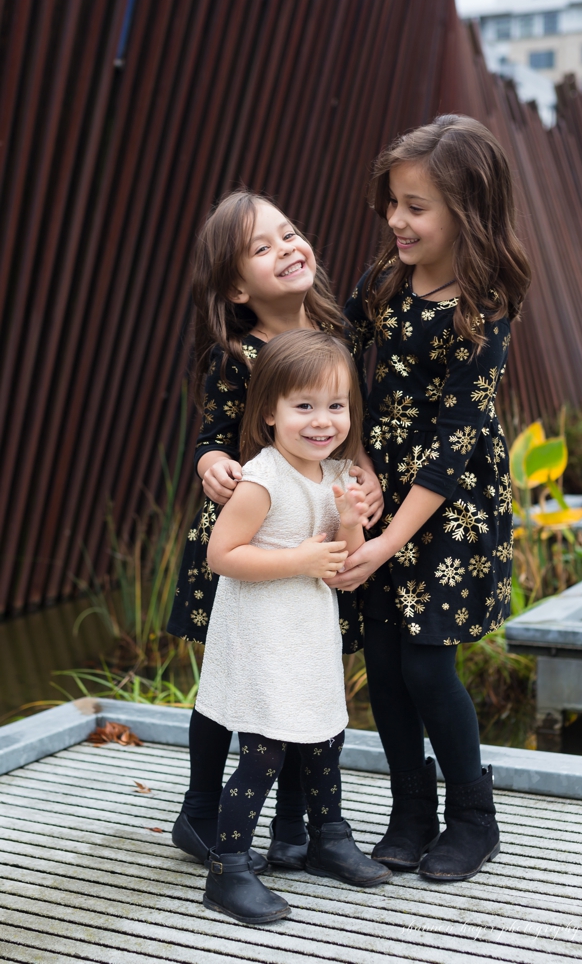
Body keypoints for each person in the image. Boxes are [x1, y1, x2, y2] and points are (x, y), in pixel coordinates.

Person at [325, 115, 531, 881]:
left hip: (449, 505)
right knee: (380, 660)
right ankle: (410, 809)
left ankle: (474, 816)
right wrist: (355, 454)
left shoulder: (485, 306)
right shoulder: (383, 279)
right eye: (392, 202)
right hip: (381, 486)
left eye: (415, 207)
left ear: (467, 212)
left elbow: (455, 440)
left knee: (425, 663)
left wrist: (385, 541)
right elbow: (338, 353)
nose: (395, 220)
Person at [167, 191, 383, 877]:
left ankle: (297, 828)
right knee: (227, 685)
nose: (287, 247)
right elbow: (209, 435)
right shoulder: (235, 355)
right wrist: (211, 461)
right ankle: (202, 809)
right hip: (248, 531)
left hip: (311, 527)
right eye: (262, 247)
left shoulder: (335, 332)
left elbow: (350, 423)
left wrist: (362, 475)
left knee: (301, 683)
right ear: (237, 285)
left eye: (289, 233)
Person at [196, 329, 392, 923]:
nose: (321, 420)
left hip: (307, 634)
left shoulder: (334, 475)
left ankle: (325, 838)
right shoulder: (264, 479)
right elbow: (221, 554)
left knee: (326, 738)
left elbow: (342, 570)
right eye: (303, 406)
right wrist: (298, 560)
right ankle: (228, 870)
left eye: (335, 406)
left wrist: (353, 522)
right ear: (270, 413)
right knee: (263, 752)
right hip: (261, 634)